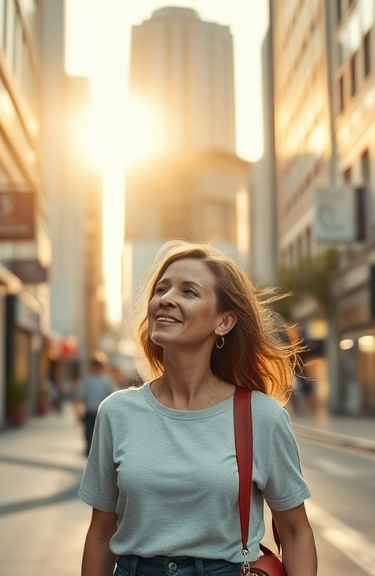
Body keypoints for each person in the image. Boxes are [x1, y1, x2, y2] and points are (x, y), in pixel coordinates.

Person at [79, 241, 317, 576]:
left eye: (188, 291)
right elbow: (101, 533)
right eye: (161, 289)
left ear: (224, 322)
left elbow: (295, 533)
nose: (166, 298)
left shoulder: (262, 417)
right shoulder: (116, 412)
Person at [77, 352, 118, 456]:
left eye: (99, 365)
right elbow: (81, 396)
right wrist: (79, 408)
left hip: (102, 412)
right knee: (88, 432)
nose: (96, 368)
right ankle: (89, 450)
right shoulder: (88, 380)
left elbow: (113, 395)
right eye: (94, 365)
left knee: (101, 433)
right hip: (90, 411)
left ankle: (99, 452)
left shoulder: (107, 380)